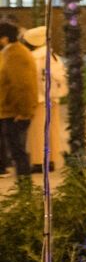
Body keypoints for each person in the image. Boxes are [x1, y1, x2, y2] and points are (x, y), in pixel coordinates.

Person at [21, 25, 66, 174]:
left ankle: (38, 161)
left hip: (39, 99)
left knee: (38, 130)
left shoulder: (33, 58)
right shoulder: (53, 56)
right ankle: (52, 159)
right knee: (52, 129)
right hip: (53, 98)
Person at [0, 21, 36, 178]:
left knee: (18, 152)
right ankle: (24, 189)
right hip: (10, 111)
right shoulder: (10, 52)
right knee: (16, 151)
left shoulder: (16, 55)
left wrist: (23, 112)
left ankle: (25, 190)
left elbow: (22, 86)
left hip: (14, 113)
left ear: (5, 38)